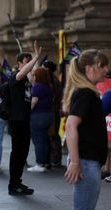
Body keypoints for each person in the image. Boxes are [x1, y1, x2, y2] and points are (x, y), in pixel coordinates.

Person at [63, 49, 109, 210]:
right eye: (102, 66)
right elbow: (70, 125)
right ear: (89, 68)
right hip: (86, 162)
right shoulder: (85, 93)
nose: (106, 70)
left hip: (89, 161)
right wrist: (75, 162)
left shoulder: (88, 92)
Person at [8, 40, 42, 196]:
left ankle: (17, 182)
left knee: (23, 153)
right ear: (19, 63)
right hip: (17, 121)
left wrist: (36, 59)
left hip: (24, 120)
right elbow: (24, 72)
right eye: (26, 62)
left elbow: (33, 75)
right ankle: (13, 185)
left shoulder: (28, 80)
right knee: (17, 153)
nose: (30, 65)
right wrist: (35, 59)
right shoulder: (15, 76)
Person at [28, 67, 53, 172]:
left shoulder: (37, 87)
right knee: (44, 139)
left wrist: (26, 111)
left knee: (38, 140)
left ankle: (40, 163)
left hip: (38, 116)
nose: (33, 77)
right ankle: (46, 161)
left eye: (34, 75)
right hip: (47, 115)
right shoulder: (48, 86)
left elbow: (33, 102)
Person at [42, 60, 63, 167]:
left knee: (52, 135)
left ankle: (54, 158)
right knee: (52, 135)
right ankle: (54, 158)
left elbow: (55, 97)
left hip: (52, 111)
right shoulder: (53, 79)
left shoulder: (51, 81)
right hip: (54, 110)